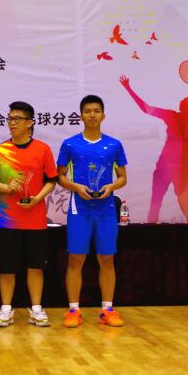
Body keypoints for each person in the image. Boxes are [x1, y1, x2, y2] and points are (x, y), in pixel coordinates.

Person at [0, 102, 58, 328]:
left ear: (30, 122)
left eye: (17, 119)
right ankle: (6, 309)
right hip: (8, 221)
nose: (12, 123)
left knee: (36, 267)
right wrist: (6, 188)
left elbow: (51, 180)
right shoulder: (0, 150)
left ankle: (36, 308)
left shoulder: (42, 149)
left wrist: (37, 198)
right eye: (10, 118)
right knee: (7, 268)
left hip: (36, 220)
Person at [56, 95, 128, 328]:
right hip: (79, 209)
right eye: (88, 111)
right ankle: (73, 310)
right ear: (81, 115)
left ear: (103, 115)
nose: (92, 115)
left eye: (96, 111)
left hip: (106, 209)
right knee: (76, 258)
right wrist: (76, 187)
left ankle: (107, 309)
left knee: (106, 258)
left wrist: (111, 187)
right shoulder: (70, 144)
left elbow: (122, 177)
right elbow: (60, 176)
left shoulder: (114, 145)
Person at [119, 74, 188, 223]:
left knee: (157, 208)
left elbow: (146, 108)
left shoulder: (176, 117)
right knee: (186, 215)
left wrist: (128, 88)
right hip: (176, 171)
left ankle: (151, 234)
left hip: (167, 168)